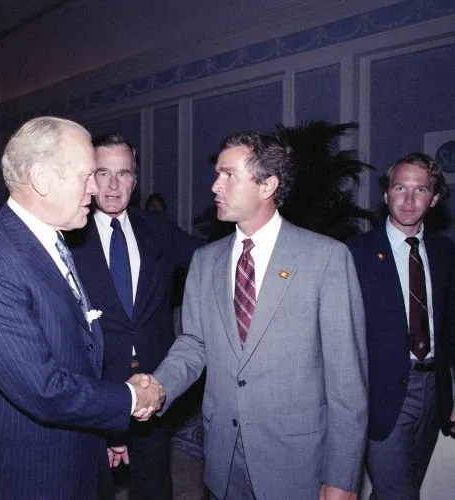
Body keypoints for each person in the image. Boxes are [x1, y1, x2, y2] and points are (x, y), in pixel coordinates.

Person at [0, 117, 165, 500]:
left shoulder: (56, 243)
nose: (96, 189)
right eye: (87, 176)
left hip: (78, 456)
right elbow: (43, 388)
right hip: (25, 475)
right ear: (42, 179)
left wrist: (109, 433)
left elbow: (79, 355)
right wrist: (129, 398)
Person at [150, 131, 368, 499]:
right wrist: (157, 388)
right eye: (217, 174)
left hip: (296, 463)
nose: (215, 186)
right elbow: (193, 344)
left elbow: (347, 379)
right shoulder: (206, 261)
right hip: (222, 460)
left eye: (228, 175)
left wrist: (342, 477)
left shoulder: (325, 258)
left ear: (267, 185)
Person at [67, 134, 204, 499]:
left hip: (154, 382)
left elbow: (209, 258)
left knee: (154, 484)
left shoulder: (157, 229)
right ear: (89, 178)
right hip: (94, 388)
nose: (113, 185)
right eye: (103, 173)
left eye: (123, 174)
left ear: (135, 180)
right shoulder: (66, 237)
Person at [347, 152, 455, 499]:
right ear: (385, 194)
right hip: (381, 394)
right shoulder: (355, 253)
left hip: (433, 391)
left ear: (435, 198)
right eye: (399, 188)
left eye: (420, 190)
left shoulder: (443, 252)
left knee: (394, 489)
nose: (409, 200)